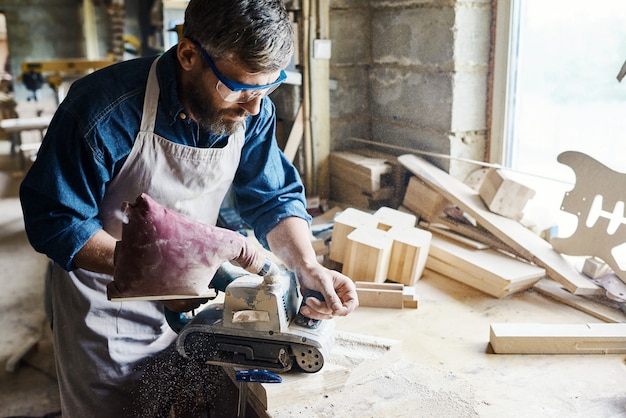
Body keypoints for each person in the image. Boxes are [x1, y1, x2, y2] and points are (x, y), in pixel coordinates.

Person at [19, 0, 358, 416]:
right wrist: (161, 272)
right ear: (188, 54)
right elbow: (57, 221)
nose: (254, 107)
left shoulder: (252, 107)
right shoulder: (103, 109)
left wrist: (307, 266)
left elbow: (272, 195)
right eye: (238, 88)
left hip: (194, 297)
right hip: (106, 309)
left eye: (267, 88)